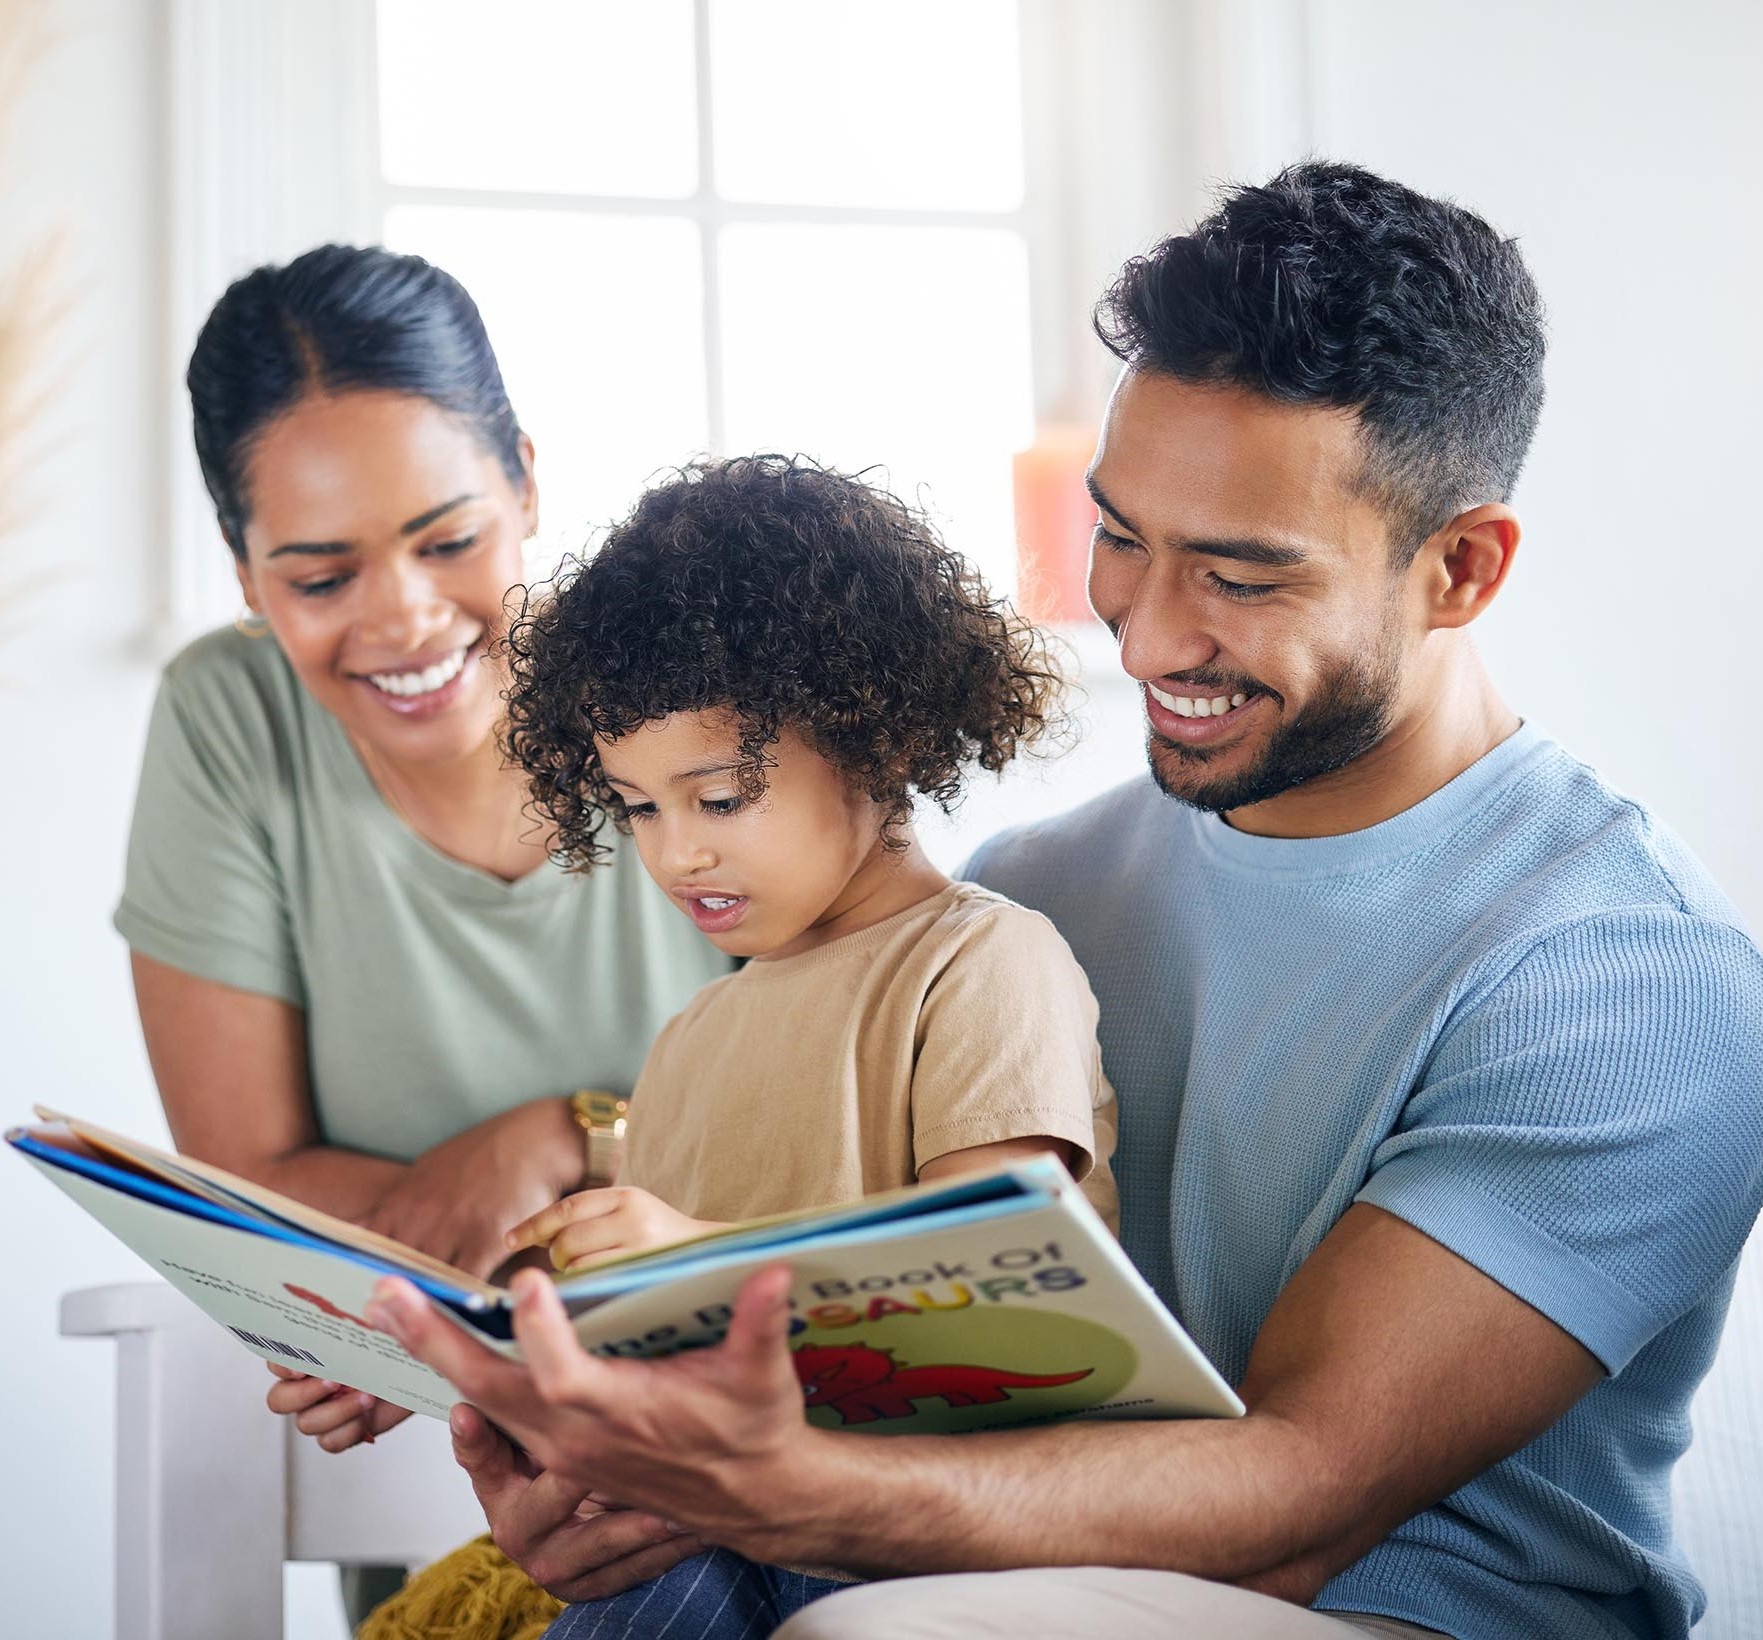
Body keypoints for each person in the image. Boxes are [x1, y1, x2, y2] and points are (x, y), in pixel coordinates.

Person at [364, 163, 1763, 1640]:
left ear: (1458, 569)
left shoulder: (1625, 985)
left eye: (1239, 574)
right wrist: (610, 1471)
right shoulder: (1028, 891)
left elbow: (1295, 1502)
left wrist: (784, 1495)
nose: (1147, 631)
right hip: (973, 1570)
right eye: (1120, 535)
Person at [114, 243, 731, 1474]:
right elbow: (256, 1200)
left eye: (448, 541)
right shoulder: (230, 719)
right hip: (425, 1441)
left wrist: (561, 1136)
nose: (400, 617)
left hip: (739, 1415)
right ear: (245, 573)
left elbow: (855, 1123)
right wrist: (546, 1244)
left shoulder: (698, 683)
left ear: (527, 488)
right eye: (322, 574)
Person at [496, 454, 1116, 1289]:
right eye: (637, 806)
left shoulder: (976, 965)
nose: (675, 854)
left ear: (876, 742)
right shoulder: (690, 1039)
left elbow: (995, 1276)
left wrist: (697, 1253)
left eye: (718, 799)